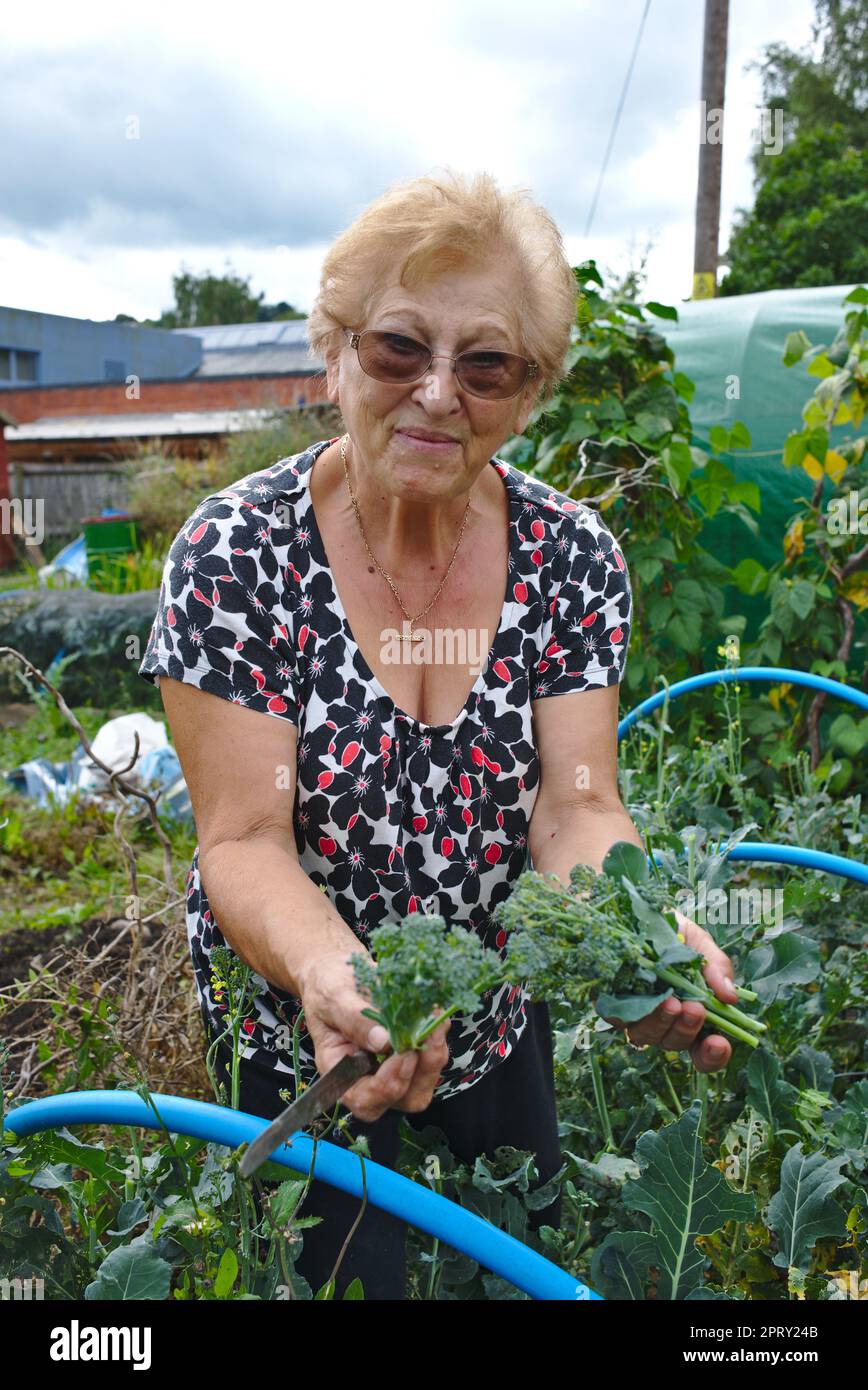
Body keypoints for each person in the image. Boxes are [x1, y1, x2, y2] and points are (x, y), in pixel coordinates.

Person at [139, 168, 740, 1300]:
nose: (435, 394)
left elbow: (576, 808)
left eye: (485, 365)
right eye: (398, 349)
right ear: (336, 349)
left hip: (495, 1027)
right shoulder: (237, 556)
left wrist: (637, 938)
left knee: (513, 1271)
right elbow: (245, 837)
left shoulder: (572, 558)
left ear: (529, 391)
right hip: (297, 1039)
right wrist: (334, 975)